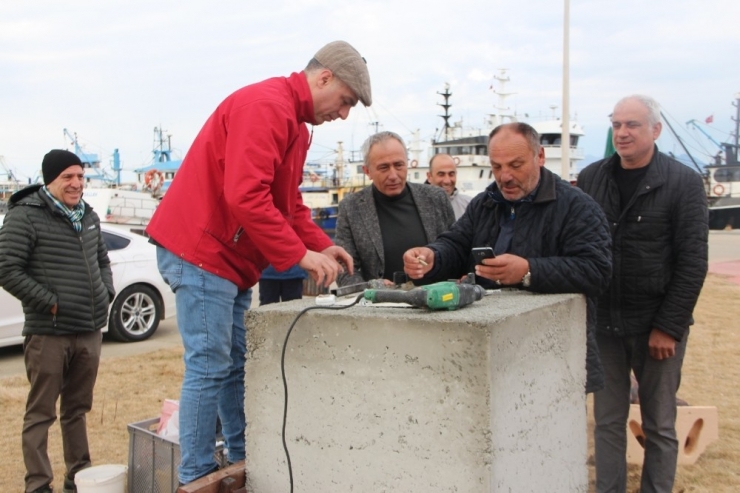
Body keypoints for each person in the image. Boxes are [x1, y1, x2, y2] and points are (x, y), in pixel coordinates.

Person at [145, 40, 370, 485]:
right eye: (345, 101)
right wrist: (297, 254)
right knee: (210, 364)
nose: (344, 114)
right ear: (324, 78)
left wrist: (320, 244)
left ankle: (243, 455)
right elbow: (245, 195)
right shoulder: (267, 106)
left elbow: (286, 207)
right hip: (201, 251)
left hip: (225, 258)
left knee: (232, 363)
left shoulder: (295, 124)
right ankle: (196, 476)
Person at [403, 122, 612, 393]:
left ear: (540, 157)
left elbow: (597, 270)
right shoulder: (484, 203)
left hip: (555, 356)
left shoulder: (577, 206)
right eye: (497, 166)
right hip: (489, 352)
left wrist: (528, 272)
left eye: (515, 165)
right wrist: (432, 257)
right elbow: (455, 244)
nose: (505, 176)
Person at [577, 95, 708, 493]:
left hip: (658, 326)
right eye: (616, 125)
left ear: (655, 129)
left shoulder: (683, 183)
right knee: (608, 422)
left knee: (660, 425)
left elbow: (692, 262)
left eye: (631, 125)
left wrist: (668, 327)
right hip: (605, 326)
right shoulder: (591, 179)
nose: (622, 133)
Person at [0, 150, 115, 493]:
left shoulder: (89, 216)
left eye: (80, 176)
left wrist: (105, 292)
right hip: (48, 333)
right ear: (49, 179)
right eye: (68, 177)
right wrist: (49, 302)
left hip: (89, 330)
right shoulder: (26, 215)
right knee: (41, 413)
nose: (76, 183)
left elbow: (102, 260)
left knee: (77, 409)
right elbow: (6, 268)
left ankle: (78, 476)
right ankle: (38, 484)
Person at [335, 131, 455, 287]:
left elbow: (455, 250)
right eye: (384, 168)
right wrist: (371, 288)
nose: (393, 175)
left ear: (407, 163)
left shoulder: (436, 198)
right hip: (381, 307)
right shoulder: (351, 207)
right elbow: (344, 268)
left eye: (399, 165)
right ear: (367, 171)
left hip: (436, 303)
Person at [426, 153, 472, 219]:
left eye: (451, 174)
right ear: (429, 176)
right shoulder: (417, 207)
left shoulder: (470, 206)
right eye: (441, 174)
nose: (447, 181)